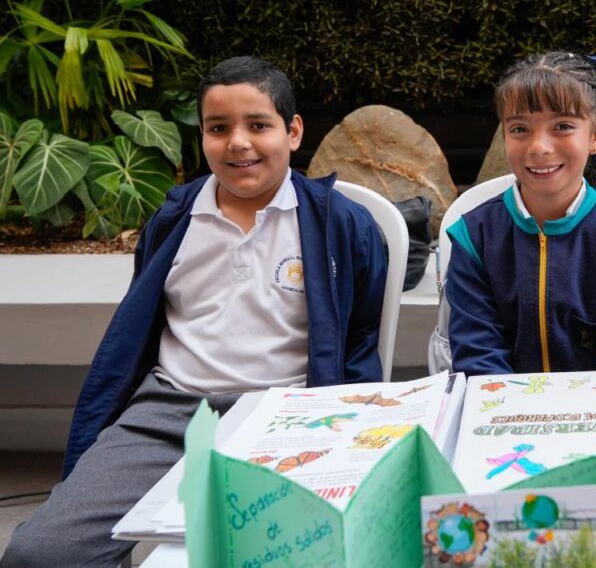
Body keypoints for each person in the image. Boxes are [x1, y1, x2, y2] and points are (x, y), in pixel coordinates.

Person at [2, 56, 387, 566]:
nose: (239, 143)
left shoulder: (343, 225)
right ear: (202, 137)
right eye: (219, 128)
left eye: (258, 125)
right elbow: (140, 328)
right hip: (166, 412)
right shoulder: (174, 220)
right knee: (40, 554)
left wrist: (357, 445)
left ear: (293, 132)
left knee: (278, 551)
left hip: (284, 416)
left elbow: (359, 340)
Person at [442, 51, 596, 376]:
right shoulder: (473, 236)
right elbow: (478, 358)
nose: (539, 146)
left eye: (562, 126)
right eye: (520, 129)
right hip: (502, 416)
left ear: (595, 136)